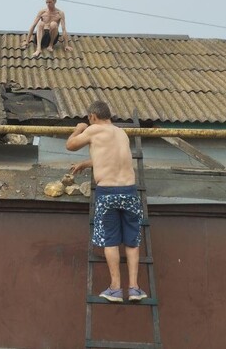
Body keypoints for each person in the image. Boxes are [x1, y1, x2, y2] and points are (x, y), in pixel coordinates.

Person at [65, 100, 148, 303]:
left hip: (108, 192)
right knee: (132, 241)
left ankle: (115, 288)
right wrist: (86, 163)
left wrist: (79, 128)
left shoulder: (93, 130)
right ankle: (135, 288)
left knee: (110, 239)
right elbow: (110, 157)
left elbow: (70, 145)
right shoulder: (121, 133)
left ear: (93, 116)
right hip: (129, 192)